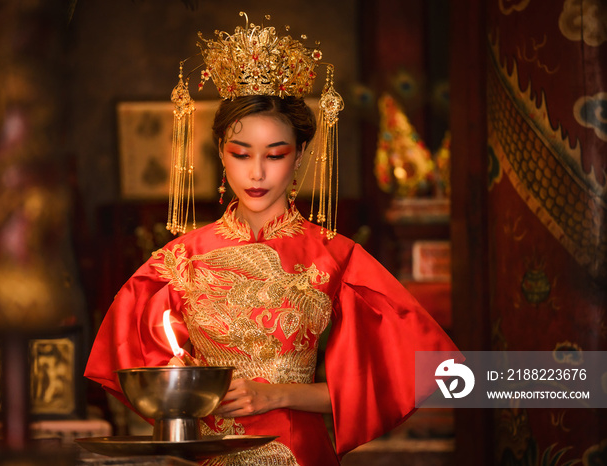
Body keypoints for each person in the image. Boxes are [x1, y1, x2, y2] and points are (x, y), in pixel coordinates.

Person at [85, 13, 459, 466]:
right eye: (240, 154)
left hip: (297, 454)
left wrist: (277, 394)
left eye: (275, 155)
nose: (256, 173)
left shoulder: (336, 257)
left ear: (299, 155)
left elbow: (413, 373)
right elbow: (134, 371)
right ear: (221, 154)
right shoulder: (179, 261)